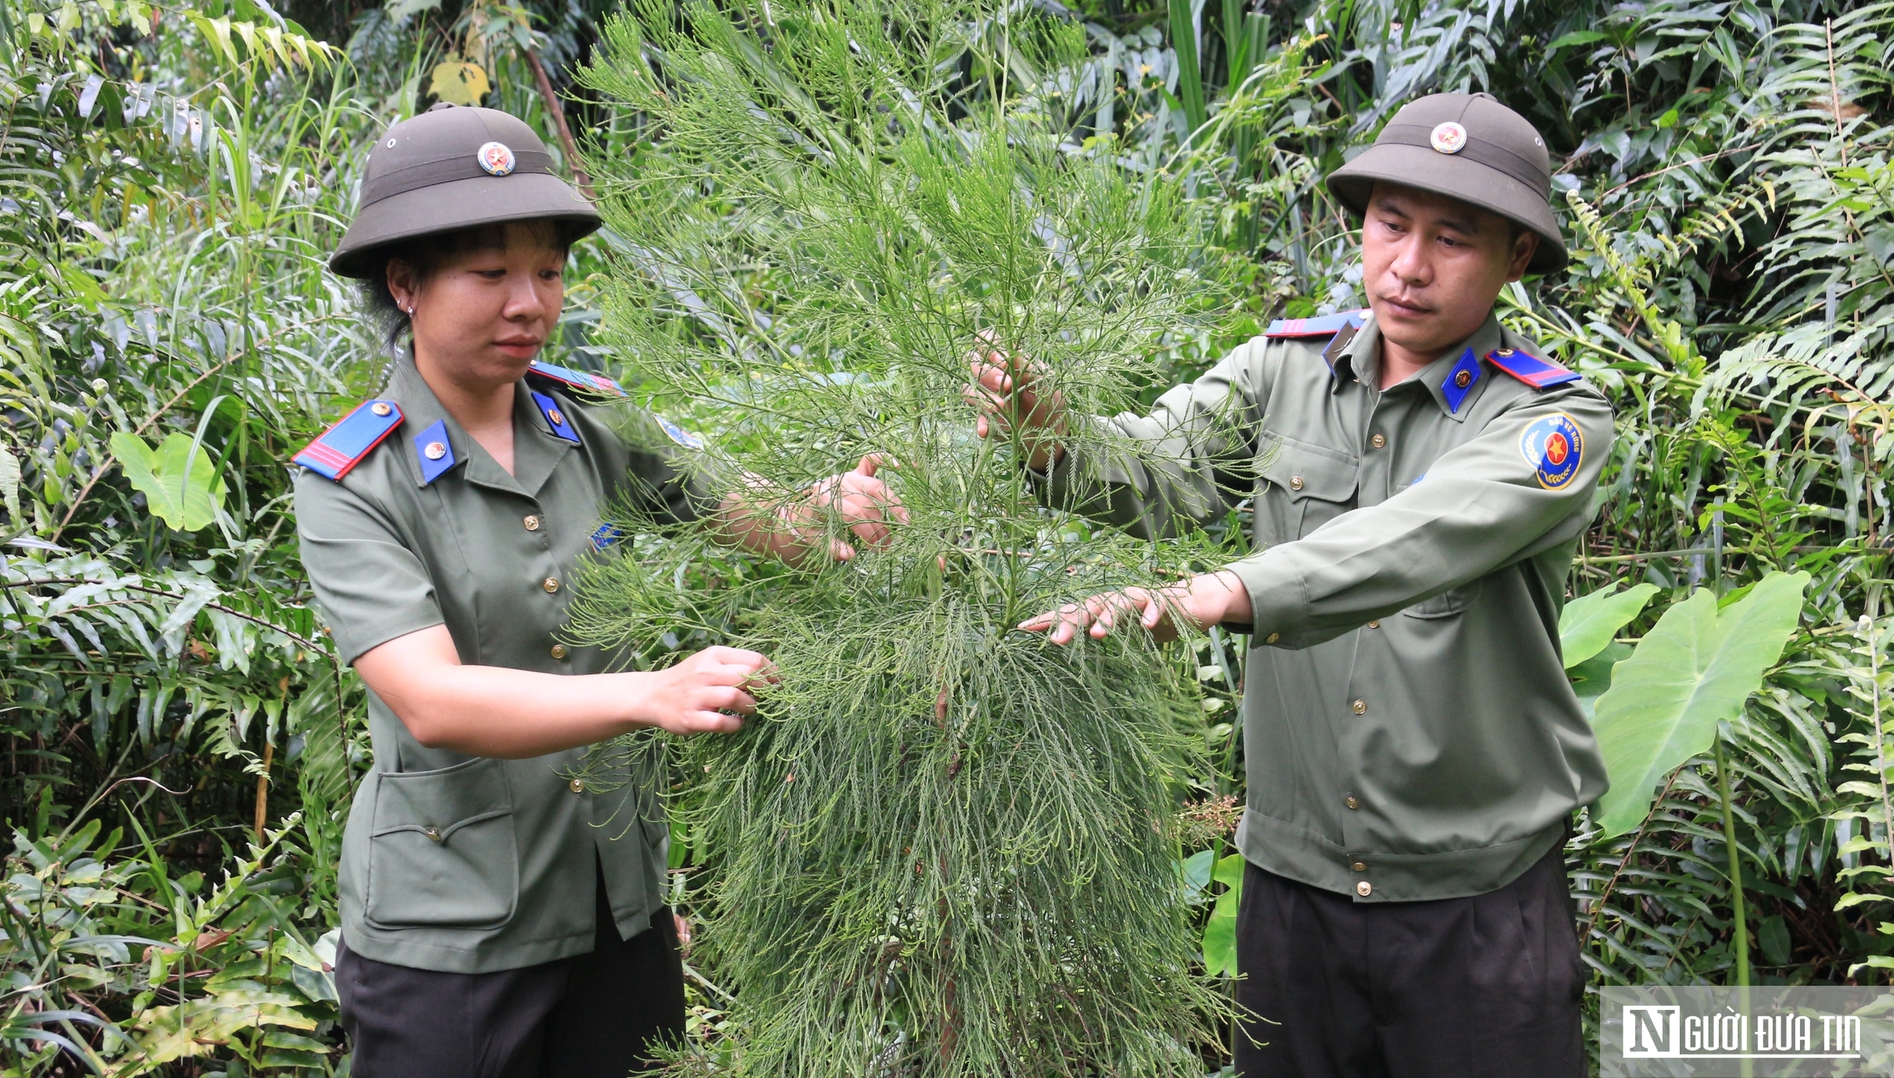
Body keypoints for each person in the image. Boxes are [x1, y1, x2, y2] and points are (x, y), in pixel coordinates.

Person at [965, 92, 1611, 1078]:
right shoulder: (1283, 370)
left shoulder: (1549, 419)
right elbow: (1149, 464)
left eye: (1452, 238)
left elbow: (1414, 534)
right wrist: (1045, 429)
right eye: (1390, 223)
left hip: (1475, 906)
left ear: (1515, 256)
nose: (1407, 264)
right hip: (1291, 895)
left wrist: (1221, 591)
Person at [295, 104, 905, 1078]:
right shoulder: (353, 479)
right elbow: (432, 697)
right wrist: (648, 693)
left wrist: (836, 506)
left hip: (615, 909)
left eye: (546, 268)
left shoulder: (588, 421)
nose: (528, 301)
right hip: (447, 938)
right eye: (489, 273)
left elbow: (758, 518)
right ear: (404, 283)